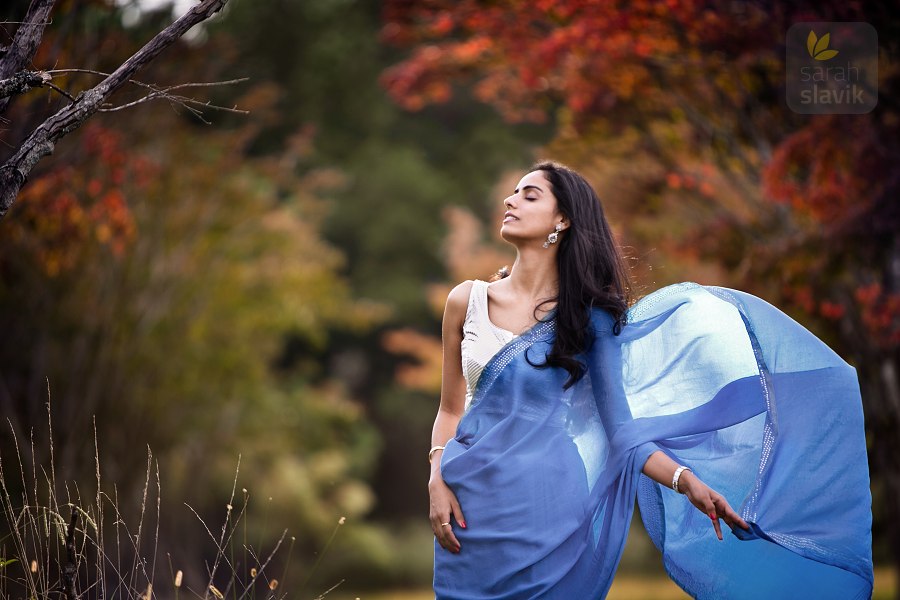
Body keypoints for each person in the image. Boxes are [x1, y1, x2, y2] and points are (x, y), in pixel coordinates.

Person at [428, 161, 873, 599]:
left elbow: (623, 432)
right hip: (471, 501)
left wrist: (687, 480)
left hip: (547, 503)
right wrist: (437, 478)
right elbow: (451, 409)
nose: (510, 200)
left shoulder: (587, 321)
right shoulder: (465, 301)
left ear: (562, 219)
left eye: (530, 194)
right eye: (513, 192)